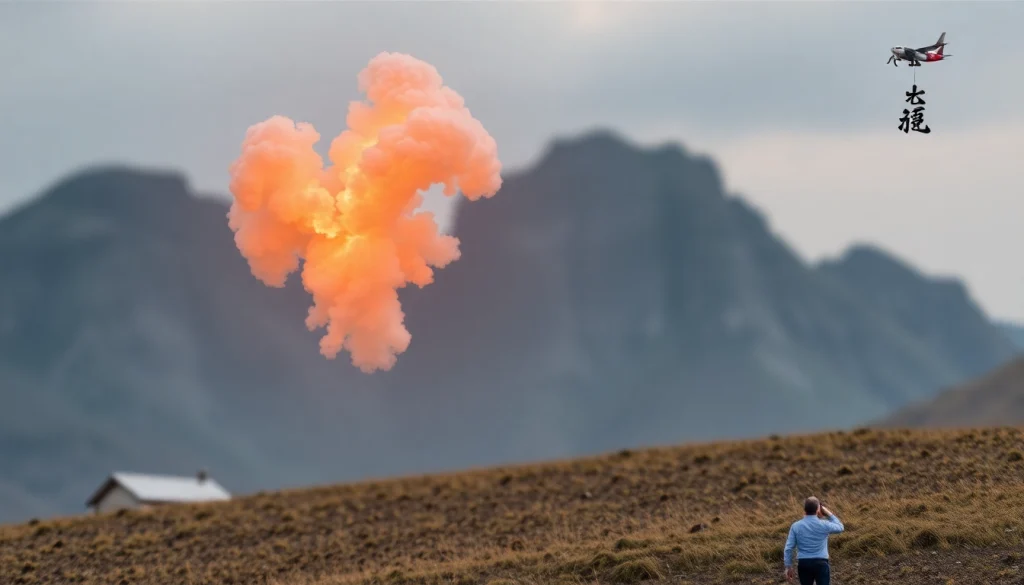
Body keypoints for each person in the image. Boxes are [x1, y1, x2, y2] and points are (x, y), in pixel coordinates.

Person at [783, 496, 844, 585]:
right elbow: (840, 527)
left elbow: (788, 548)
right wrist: (828, 513)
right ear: (818, 509)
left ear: (805, 509)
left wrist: (788, 566)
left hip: (804, 563)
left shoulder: (795, 526)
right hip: (821, 563)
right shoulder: (824, 524)